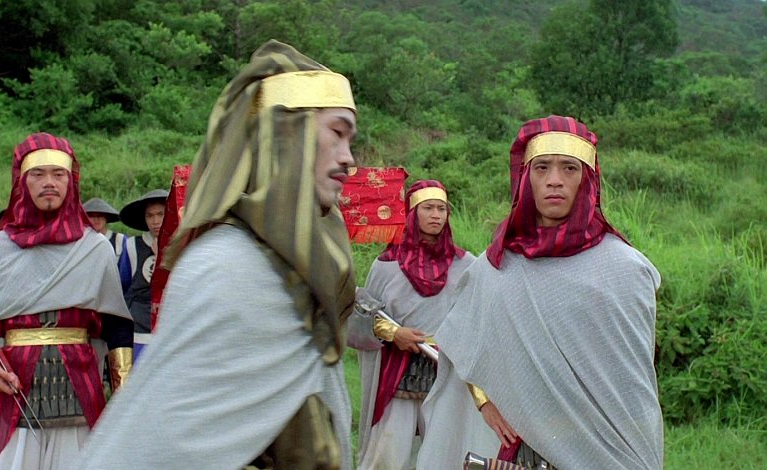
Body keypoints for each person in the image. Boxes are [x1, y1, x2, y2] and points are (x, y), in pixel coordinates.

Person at [79, 39, 357, 469]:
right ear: (288, 135)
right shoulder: (227, 265)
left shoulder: (306, 263)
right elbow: (167, 441)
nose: (348, 159)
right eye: (337, 133)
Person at [427, 115, 663, 469]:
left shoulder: (625, 269)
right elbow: (462, 341)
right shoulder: (495, 269)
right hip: (528, 447)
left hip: (609, 449)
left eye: (569, 168)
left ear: (588, 179)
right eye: (542, 168)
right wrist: (484, 401)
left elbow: (634, 385)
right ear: (525, 179)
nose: (555, 180)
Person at [0, 133, 134, 470]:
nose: (49, 183)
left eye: (58, 174)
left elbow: (116, 325)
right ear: (22, 182)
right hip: (13, 387)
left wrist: (125, 397)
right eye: (38, 174)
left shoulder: (95, 248)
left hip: (81, 388)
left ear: (71, 182)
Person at [347, 180, 495, 470]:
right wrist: (395, 333)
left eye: (442, 208)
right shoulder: (386, 265)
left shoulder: (465, 264)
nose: (436, 215)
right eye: (428, 208)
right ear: (412, 213)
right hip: (398, 374)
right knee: (388, 455)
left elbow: (479, 316)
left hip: (446, 372)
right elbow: (364, 317)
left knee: (447, 453)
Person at [117, 189, 167, 357]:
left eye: (160, 214)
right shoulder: (132, 246)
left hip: (173, 326)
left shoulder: (183, 245)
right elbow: (122, 286)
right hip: (140, 331)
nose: (155, 221)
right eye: (150, 216)